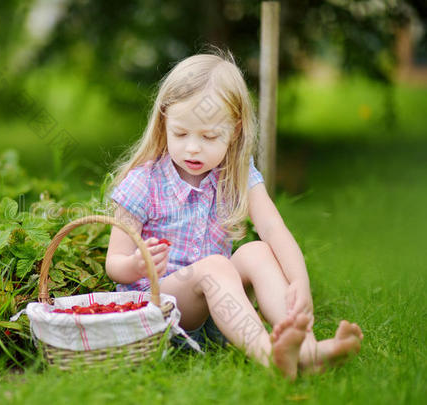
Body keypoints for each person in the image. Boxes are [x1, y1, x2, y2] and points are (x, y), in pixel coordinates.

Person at [104, 47, 363, 380]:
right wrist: (135, 265)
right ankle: (271, 356)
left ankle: (307, 350)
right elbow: (114, 263)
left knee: (256, 250)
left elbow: (273, 228)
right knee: (214, 266)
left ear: (235, 131)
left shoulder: (236, 173)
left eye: (210, 136)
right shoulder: (145, 181)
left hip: (219, 308)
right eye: (180, 134)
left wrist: (300, 282)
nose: (193, 147)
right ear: (165, 123)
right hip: (159, 311)